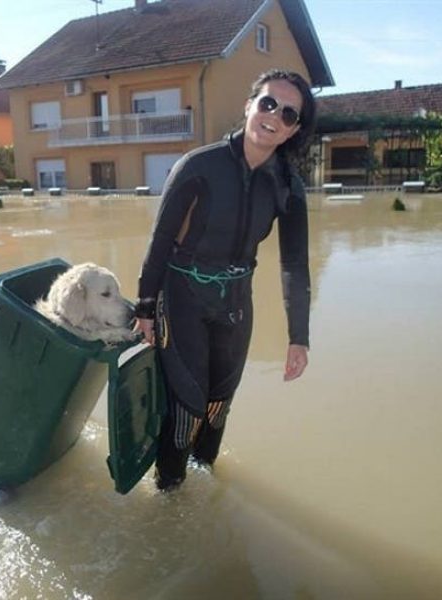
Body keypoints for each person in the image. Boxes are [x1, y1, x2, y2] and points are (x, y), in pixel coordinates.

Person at [134, 68, 315, 491]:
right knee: (189, 405)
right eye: (268, 102)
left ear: (293, 130)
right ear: (249, 105)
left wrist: (298, 337)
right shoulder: (198, 166)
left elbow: (294, 265)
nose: (274, 115)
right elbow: (159, 241)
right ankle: (169, 493)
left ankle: (205, 489)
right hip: (181, 295)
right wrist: (145, 307)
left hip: (235, 300)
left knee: (219, 405)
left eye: (288, 113)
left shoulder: (289, 188)